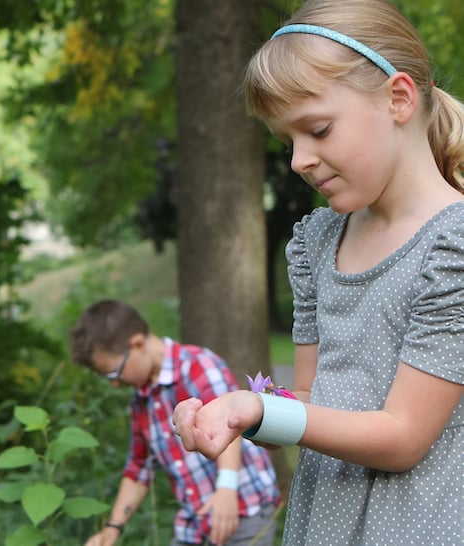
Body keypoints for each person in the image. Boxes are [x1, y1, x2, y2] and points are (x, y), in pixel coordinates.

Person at [172, 1, 464, 545]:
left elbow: (403, 437)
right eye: (288, 142)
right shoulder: (317, 242)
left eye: (319, 130)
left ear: (399, 99)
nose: (298, 161)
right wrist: (244, 417)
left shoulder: (454, 247)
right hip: (324, 520)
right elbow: (307, 402)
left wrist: (258, 406)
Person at [69, 299, 281, 546]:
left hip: (243, 510)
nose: (114, 383)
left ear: (137, 344)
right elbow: (139, 467)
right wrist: (113, 527)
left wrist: (226, 489)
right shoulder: (142, 400)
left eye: (114, 373)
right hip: (195, 523)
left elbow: (232, 423)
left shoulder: (197, 365)